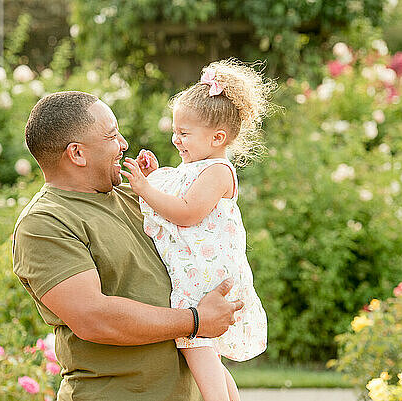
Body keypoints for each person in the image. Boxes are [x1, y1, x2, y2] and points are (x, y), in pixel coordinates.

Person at [12, 90, 244, 401]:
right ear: (77, 154)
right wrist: (196, 320)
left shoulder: (133, 196)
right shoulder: (45, 223)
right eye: (112, 135)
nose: (123, 144)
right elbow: (96, 318)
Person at [120, 59, 274, 401]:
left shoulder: (218, 171)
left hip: (203, 275)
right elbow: (177, 195)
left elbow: (188, 213)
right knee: (208, 357)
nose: (176, 140)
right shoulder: (196, 167)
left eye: (184, 134)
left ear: (217, 137)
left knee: (197, 344)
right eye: (175, 132)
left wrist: (145, 189)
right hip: (197, 270)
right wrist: (157, 174)